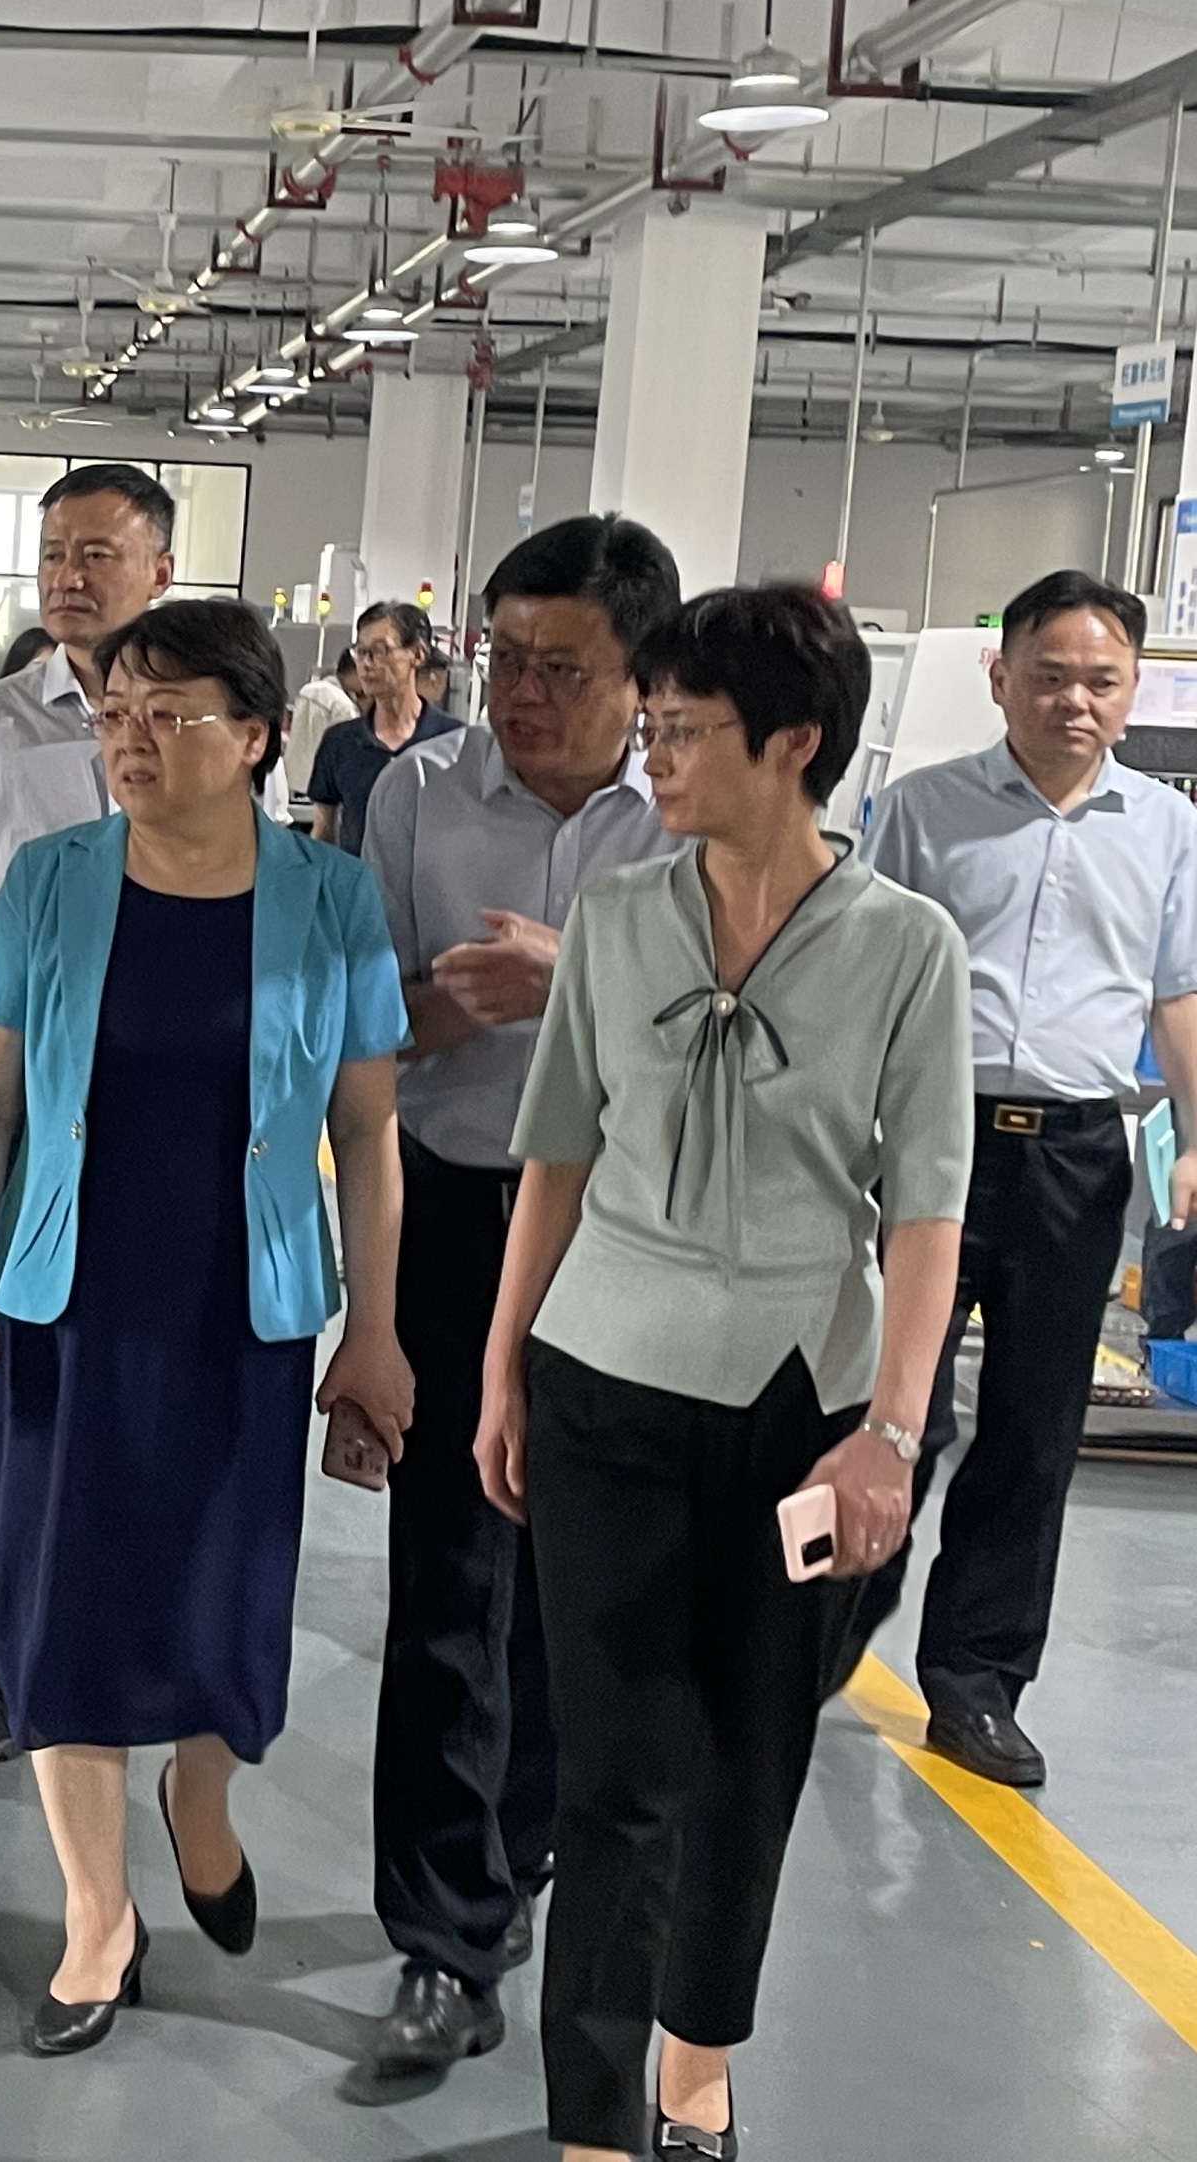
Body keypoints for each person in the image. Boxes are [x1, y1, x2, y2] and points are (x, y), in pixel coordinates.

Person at [477, 584, 971, 2162]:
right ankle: (594, 2121)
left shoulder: (907, 948)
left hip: (801, 1414)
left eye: (684, 732)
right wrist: (501, 1370)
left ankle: (697, 2064)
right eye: (656, 727)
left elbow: (927, 1210)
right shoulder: (620, 916)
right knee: (613, 1773)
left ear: (794, 744)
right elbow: (556, 1159)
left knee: (750, 1761)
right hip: (605, 1379)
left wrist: (890, 1432)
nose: (655, 759)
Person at [0, 598, 412, 2056]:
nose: (129, 740)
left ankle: (202, 1792)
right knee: (57, 1607)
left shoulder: (331, 899)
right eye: (115, 714)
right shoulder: (49, 881)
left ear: (257, 736)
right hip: (69, 1299)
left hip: (240, 1306)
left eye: (169, 714)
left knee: (223, 1595)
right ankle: (98, 1916)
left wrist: (374, 1327)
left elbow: (367, 1133)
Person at [352, 514, 678, 2083]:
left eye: (567, 669)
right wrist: (443, 1004)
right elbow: (361, 1024)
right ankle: (442, 1935)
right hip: (453, 1218)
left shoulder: (694, 817)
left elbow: (751, 1035)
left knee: (586, 1586)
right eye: (509, 661)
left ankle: (525, 1850)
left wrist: (581, 986)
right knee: (447, 1580)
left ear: (644, 677)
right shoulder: (417, 794)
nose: (527, 695)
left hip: (632, 1237)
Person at [849, 569, 1197, 1784]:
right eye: (1050, 677)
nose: (1075, 702)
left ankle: (976, 1684)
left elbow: (1177, 994)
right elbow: (864, 980)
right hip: (931, 1145)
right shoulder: (921, 810)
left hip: (1078, 1159)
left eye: (1102, 681)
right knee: (891, 1410)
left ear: (1133, 690)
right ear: (1000, 679)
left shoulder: (1167, 831)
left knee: (1035, 1430)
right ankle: (812, 1642)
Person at [0, 463, 177, 1792]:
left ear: (160, 572)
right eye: (56, 553)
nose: (70, 576)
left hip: (172, 1113)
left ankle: (108, 1663)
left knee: (145, 1399)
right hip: (25, 1106)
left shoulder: (205, 718)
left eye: (98, 554)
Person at [310, 601, 461, 847]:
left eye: (380, 651)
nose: (367, 664)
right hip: (358, 872)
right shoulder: (340, 742)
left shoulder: (453, 741)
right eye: (360, 652)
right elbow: (324, 829)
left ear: (418, 654)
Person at [283, 644, 362, 801]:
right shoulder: (343, 706)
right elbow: (346, 754)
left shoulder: (307, 690)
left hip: (290, 779)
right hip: (319, 789)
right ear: (354, 672)